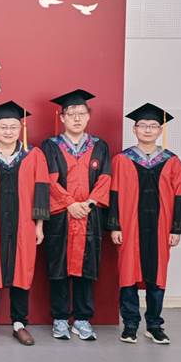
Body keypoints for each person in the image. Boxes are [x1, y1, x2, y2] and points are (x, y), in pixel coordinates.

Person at [109, 103, 181, 344]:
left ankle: (154, 325)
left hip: (161, 228)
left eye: (153, 126)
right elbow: (113, 194)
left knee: (157, 275)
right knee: (128, 275)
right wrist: (114, 225)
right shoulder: (122, 159)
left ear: (160, 130)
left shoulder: (172, 161)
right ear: (134, 129)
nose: (147, 129)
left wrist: (177, 229)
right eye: (142, 125)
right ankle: (130, 325)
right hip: (129, 227)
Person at [0, 101, 49, 346]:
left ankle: (19, 324)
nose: (8, 131)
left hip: (23, 223)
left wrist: (39, 225)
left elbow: (41, 190)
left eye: (13, 127)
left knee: (22, 270)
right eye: (3, 127)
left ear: (21, 128)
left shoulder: (33, 155)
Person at [41, 90, 111, 341]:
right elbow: (48, 180)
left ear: (89, 116)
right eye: (72, 114)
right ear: (62, 117)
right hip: (61, 216)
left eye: (82, 113)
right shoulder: (50, 145)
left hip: (89, 216)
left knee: (86, 268)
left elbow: (105, 178)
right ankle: (60, 319)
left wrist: (89, 203)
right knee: (58, 268)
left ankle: (82, 319)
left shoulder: (99, 145)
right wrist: (69, 203)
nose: (77, 118)